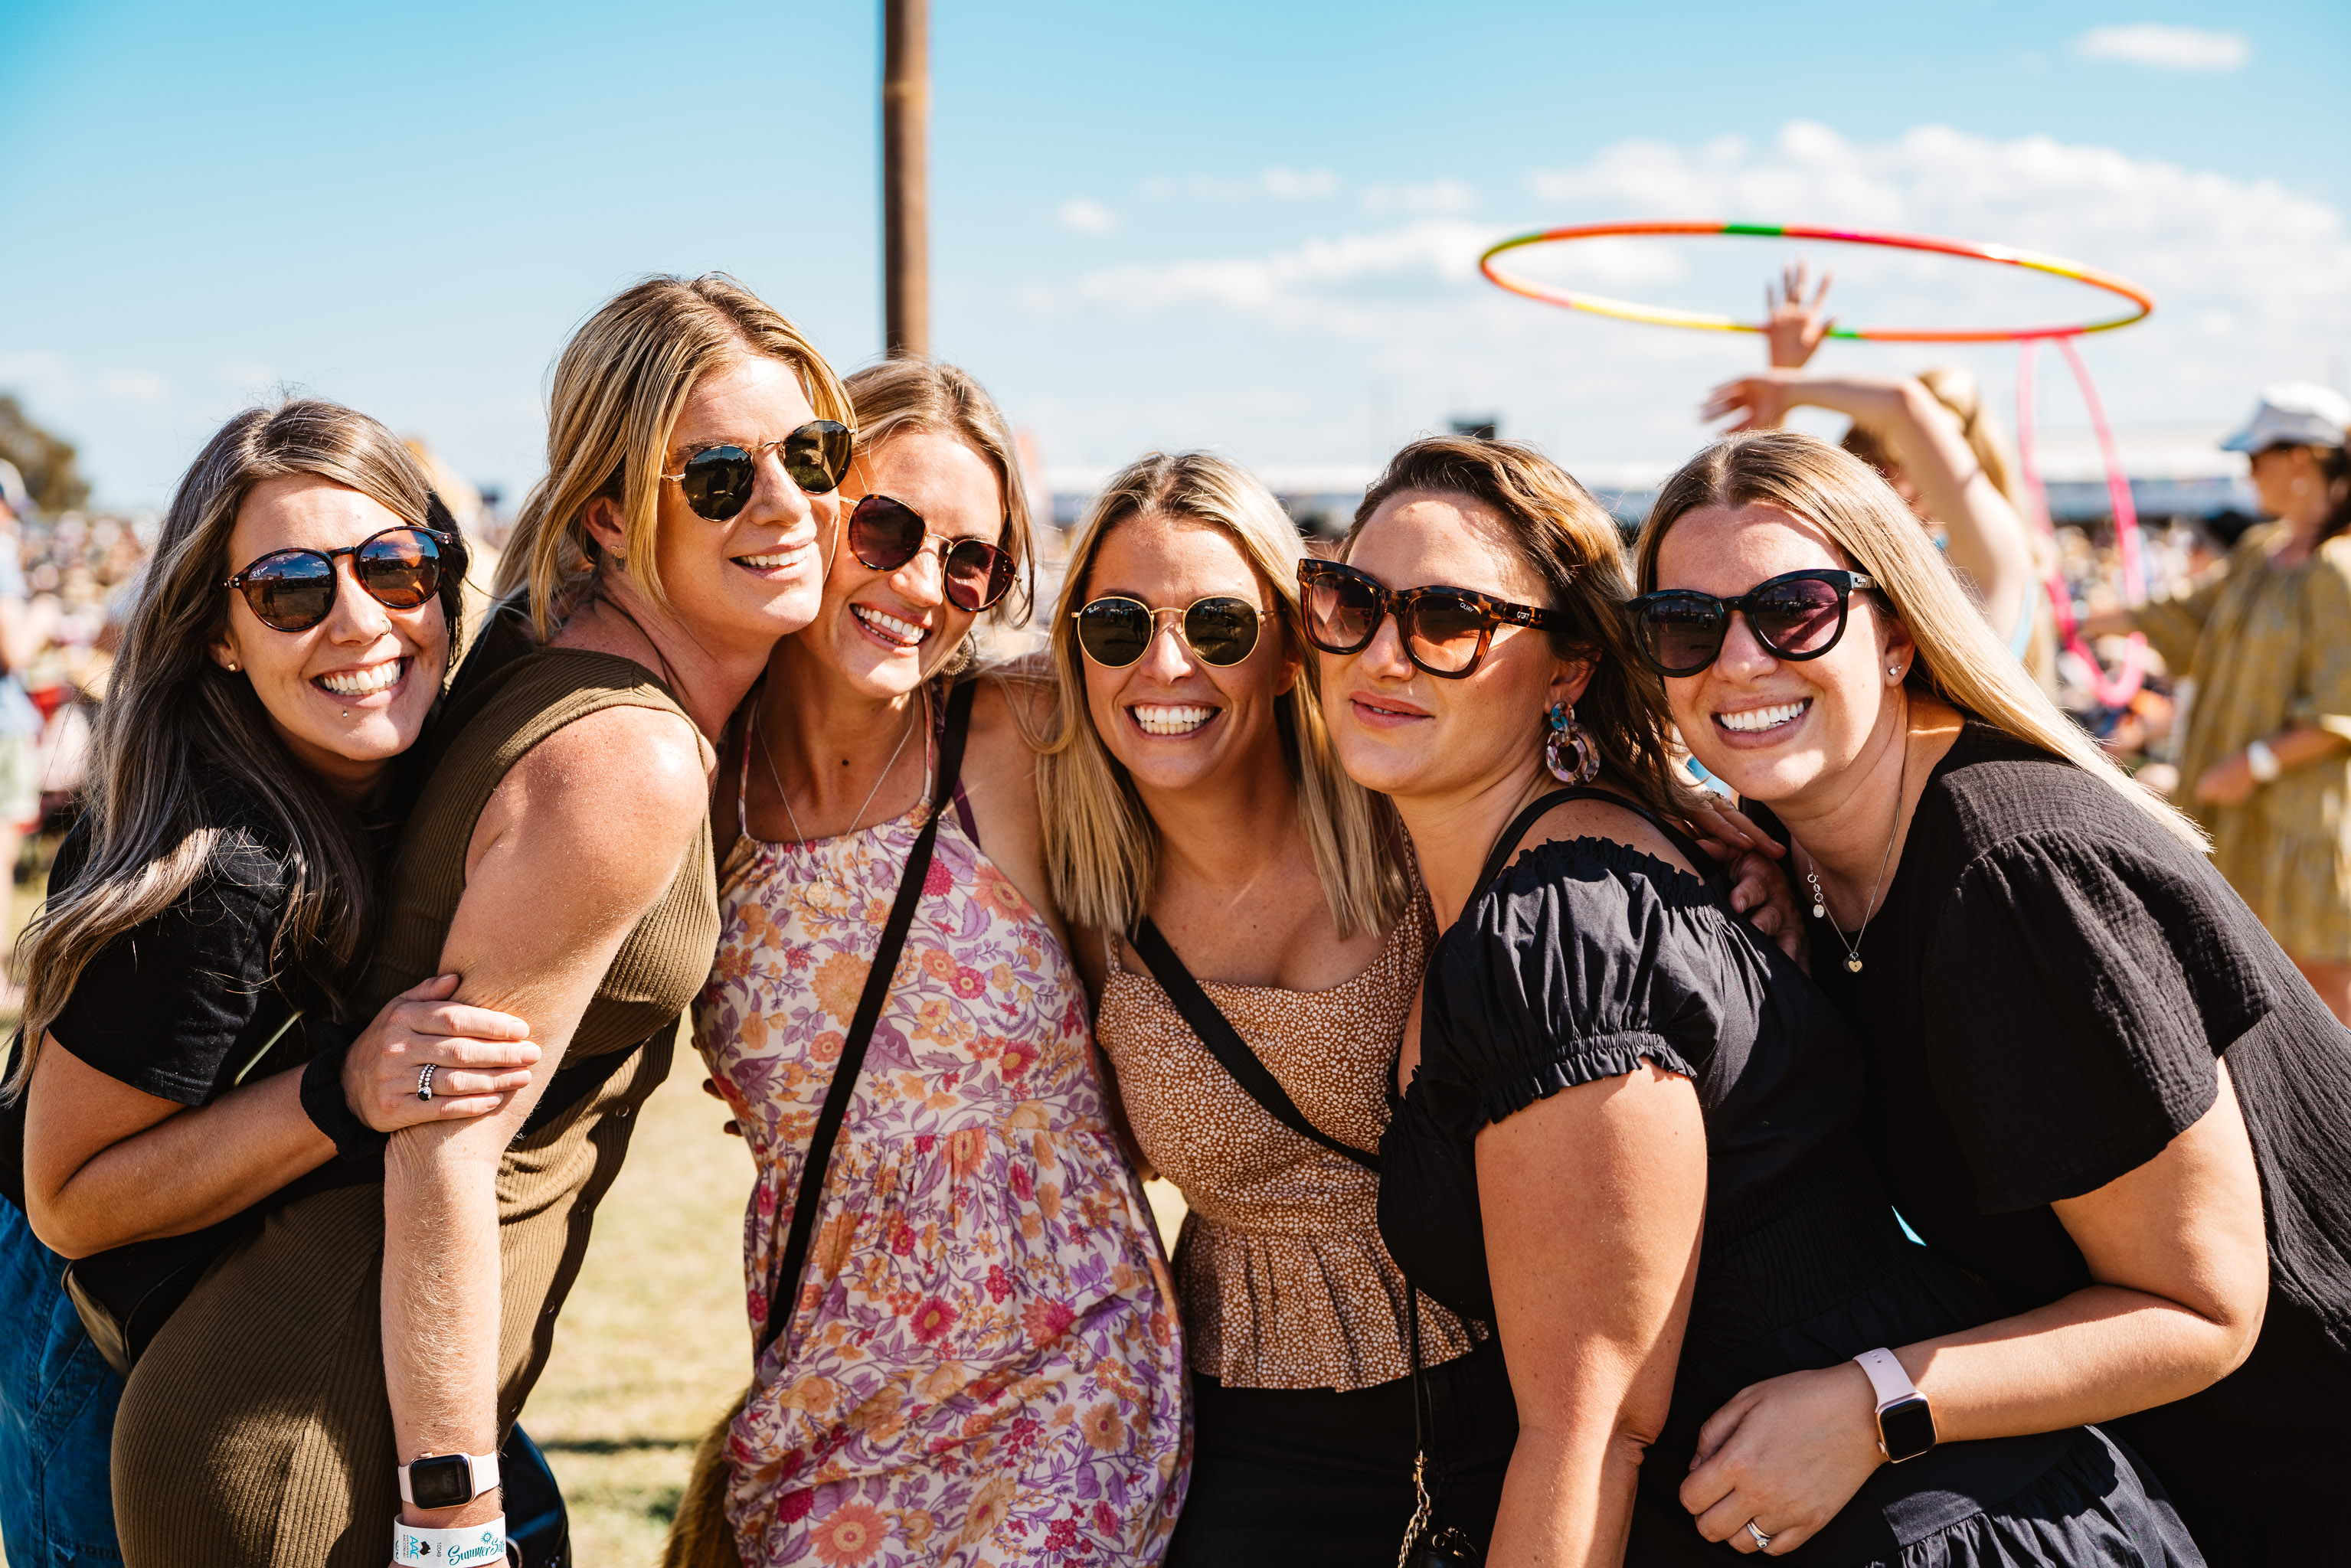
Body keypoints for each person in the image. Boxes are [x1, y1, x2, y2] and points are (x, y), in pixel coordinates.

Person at [1328, 433, 2196, 1563]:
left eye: (1446, 618)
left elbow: (1590, 1430)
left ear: (1569, 669)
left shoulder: (1560, 929)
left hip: (1909, 1520)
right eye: (1347, 600)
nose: (1384, 653)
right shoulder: (1634, 853)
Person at [103, 276, 852, 1568]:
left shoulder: (538, 641)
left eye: (815, 455)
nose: (788, 504)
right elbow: (447, 1141)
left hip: (330, 1399)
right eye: (720, 477)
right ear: (612, 515)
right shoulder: (629, 753)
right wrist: (452, 1518)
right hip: (315, 1448)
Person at [1644, 426, 2351, 1563]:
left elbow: (2204, 1309)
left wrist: (1871, 1407)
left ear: (1893, 634)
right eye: (1683, 626)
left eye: (1793, 610)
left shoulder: (2013, 877)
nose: (1736, 661)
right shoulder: (1813, 856)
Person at [0, 401, 537, 1567]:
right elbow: (67, 1200)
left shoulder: (394, 765)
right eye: (292, 588)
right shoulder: (211, 873)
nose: (360, 622)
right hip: (93, 1333)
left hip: (270, 1276)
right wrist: (345, 1088)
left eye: (397, 568)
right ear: (220, 635)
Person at [690, 360, 1185, 1566]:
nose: (924, 584)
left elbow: (1298, 740)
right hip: (826, 1387)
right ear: (809, 510)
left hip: (1072, 1370)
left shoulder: (1023, 734)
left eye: (970, 558)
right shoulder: (695, 784)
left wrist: (1683, 815)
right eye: (886, 527)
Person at [2078, 383, 2351, 1024]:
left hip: (2304, 819)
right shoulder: (2265, 550)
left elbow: (2341, 707)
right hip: (2242, 813)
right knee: (2261, 974)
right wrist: (2106, 617)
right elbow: (2194, 617)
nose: (2247, 473)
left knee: (2323, 973)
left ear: (2301, 461)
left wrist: (2254, 763)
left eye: (2255, 458)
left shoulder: (2339, 569)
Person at [1705, 263, 2050, 686]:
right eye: (1859, 461)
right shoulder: (1884, 567)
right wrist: (1783, 392)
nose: (1872, 484)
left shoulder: (1986, 556)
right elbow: (1758, 528)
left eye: (1887, 467)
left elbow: (1904, 404)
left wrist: (1786, 385)